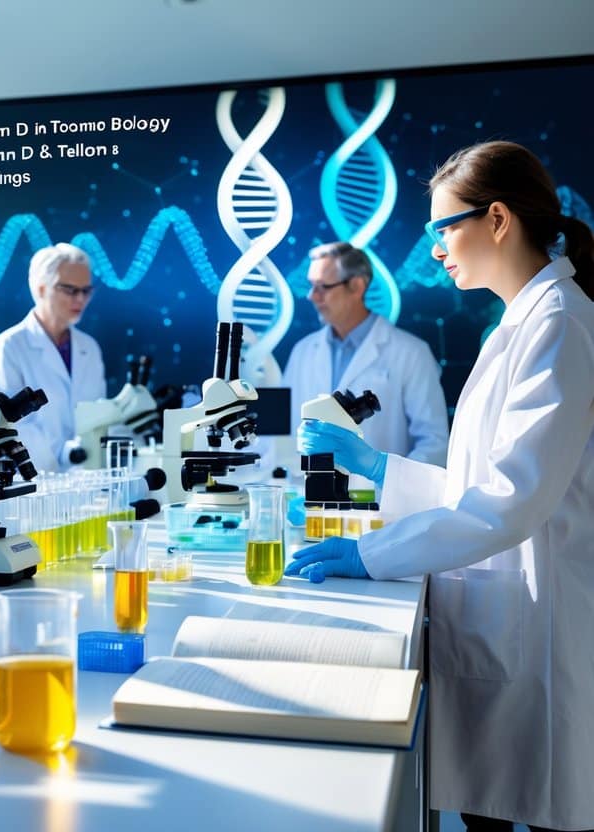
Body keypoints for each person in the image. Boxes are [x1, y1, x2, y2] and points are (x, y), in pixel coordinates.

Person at [286, 141, 594, 832]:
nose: (432, 250)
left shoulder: (559, 323)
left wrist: (372, 555)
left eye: (440, 229)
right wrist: (376, 470)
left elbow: (510, 498)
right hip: (498, 615)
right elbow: (475, 483)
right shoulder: (516, 322)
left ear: (496, 219)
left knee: (532, 803)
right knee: (488, 805)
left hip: (536, 627)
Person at [283, 241, 449, 466]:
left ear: (357, 286)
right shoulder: (303, 352)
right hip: (308, 495)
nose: (312, 296)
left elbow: (434, 443)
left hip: (381, 498)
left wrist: (389, 482)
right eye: (311, 286)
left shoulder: (411, 353)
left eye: (323, 287)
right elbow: (283, 437)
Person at [0, 243, 105, 472]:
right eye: (70, 290)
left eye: (86, 291)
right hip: (34, 483)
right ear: (40, 289)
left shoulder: (89, 348)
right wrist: (64, 458)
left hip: (87, 479)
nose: (80, 299)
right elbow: (10, 429)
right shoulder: (8, 348)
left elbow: (98, 417)